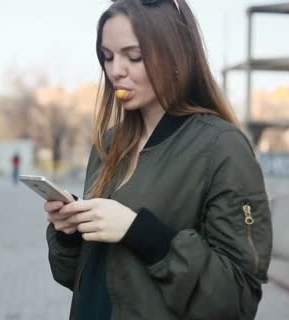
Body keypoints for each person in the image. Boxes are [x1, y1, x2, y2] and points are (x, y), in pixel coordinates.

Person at [44, 0, 272, 319]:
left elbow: (236, 300)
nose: (115, 70)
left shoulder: (222, 147)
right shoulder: (108, 144)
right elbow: (85, 278)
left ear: (176, 54)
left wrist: (141, 232)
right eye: (107, 57)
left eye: (133, 56)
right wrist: (70, 234)